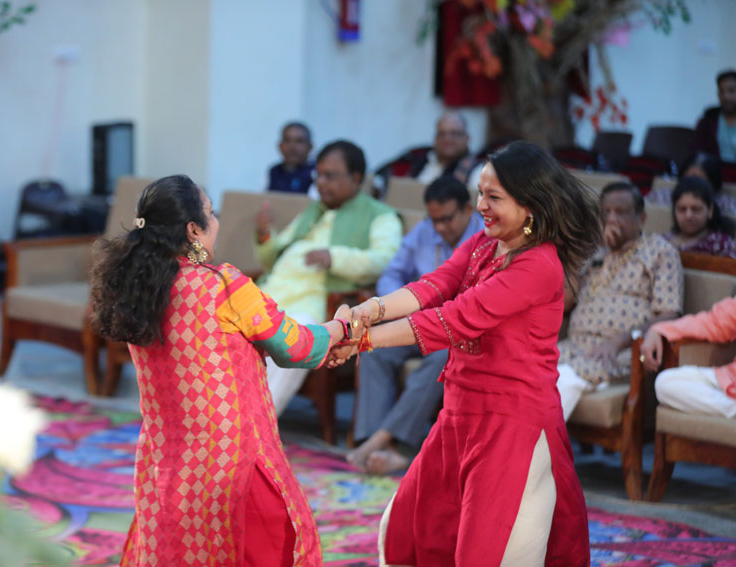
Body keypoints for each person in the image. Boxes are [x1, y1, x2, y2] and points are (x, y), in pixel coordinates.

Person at [329, 140, 602, 565]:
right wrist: (367, 312)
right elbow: (433, 286)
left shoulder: (539, 265)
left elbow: (455, 319)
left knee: (488, 551)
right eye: (480, 193)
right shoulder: (482, 244)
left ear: (530, 205)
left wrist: (361, 340)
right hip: (459, 414)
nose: (481, 206)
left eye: (494, 197)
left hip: (512, 423)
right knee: (407, 529)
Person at [89, 175, 351, 566]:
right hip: (232, 466)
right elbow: (297, 348)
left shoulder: (135, 292)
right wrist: (341, 326)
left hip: (166, 465)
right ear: (193, 230)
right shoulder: (224, 287)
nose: (217, 221)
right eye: (211, 213)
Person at [346, 175, 483, 475]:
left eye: (447, 219)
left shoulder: (484, 240)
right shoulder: (423, 231)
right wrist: (401, 305)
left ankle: (387, 441)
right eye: (434, 219)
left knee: (442, 359)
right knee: (374, 352)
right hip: (415, 322)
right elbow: (391, 275)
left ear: (467, 210)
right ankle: (376, 444)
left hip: (454, 333)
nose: (440, 227)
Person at [254, 140, 402, 415]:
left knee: (295, 336)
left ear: (356, 178)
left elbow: (385, 261)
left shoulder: (380, 216)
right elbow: (273, 258)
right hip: (271, 294)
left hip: (316, 304)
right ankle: (219, 417)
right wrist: (265, 238)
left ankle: (258, 423)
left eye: (330, 176)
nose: (320, 183)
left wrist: (334, 257)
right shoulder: (314, 210)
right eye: (318, 175)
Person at [557, 182, 683, 421]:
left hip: (621, 353)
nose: (612, 219)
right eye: (606, 212)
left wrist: (618, 341)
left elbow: (670, 313)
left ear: (641, 218)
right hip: (574, 347)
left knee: (560, 380)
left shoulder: (660, 251)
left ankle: (532, 445)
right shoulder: (594, 251)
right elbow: (566, 304)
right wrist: (577, 256)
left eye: (621, 212)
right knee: (526, 369)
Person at [640, 295, 736, 419]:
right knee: (665, 383)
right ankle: (731, 407)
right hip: (730, 378)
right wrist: (658, 330)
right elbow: (711, 323)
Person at [374, 111, 480, 192]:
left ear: (467, 138)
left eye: (454, 133)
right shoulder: (420, 157)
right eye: (442, 134)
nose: (447, 139)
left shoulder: (477, 171)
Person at [662, 175, 736, 258]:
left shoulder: (722, 244)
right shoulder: (663, 242)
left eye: (696, 209)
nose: (688, 216)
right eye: (682, 209)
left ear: (710, 210)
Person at [694, 69, 736, 162]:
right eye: (721, 91)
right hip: (714, 169)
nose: (726, 96)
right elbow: (697, 153)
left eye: (731, 90)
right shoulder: (707, 121)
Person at [267, 122, 315, 194]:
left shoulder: (317, 173)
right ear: (280, 145)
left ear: (310, 146)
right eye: (287, 140)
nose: (292, 147)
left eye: (299, 141)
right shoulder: (275, 171)